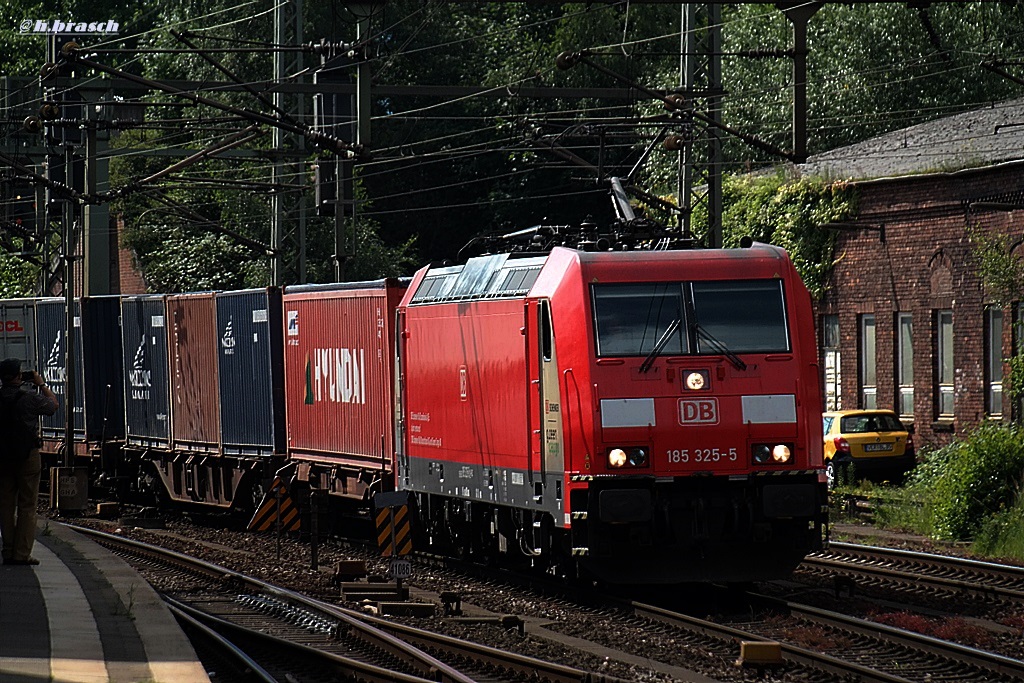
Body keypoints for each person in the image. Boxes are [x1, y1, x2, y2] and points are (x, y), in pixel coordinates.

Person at [0, 358, 58, 566]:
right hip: (28, 456)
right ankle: (22, 554)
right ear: (18, 376)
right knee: (27, 505)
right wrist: (41, 383)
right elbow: (53, 406)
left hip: (3, 458)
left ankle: (7, 551)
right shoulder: (29, 398)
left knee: (5, 505)